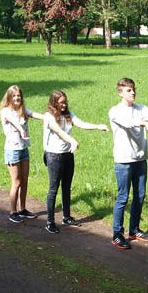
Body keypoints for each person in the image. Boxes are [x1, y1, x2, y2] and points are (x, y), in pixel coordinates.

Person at [108, 78, 148, 249]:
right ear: (120, 93)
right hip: (123, 161)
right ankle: (117, 234)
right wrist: (142, 123)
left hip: (140, 160)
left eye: (133, 89)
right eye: (128, 90)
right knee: (123, 197)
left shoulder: (141, 109)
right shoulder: (115, 111)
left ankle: (134, 229)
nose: (133, 92)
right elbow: (126, 123)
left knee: (140, 196)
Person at [42, 90, 108, 234]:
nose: (64, 105)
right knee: (53, 189)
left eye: (65, 102)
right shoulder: (49, 116)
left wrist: (98, 126)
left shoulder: (68, 114)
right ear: (54, 103)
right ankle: (50, 222)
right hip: (54, 156)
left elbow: (81, 123)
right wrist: (73, 141)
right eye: (61, 103)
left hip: (68, 154)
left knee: (67, 187)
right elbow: (59, 131)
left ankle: (66, 217)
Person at [0, 85, 43, 223]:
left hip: (23, 149)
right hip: (12, 150)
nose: (17, 98)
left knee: (24, 180)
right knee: (16, 182)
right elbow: (15, 122)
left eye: (19, 95)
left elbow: (35, 114)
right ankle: (13, 212)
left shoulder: (22, 110)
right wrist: (21, 130)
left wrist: (49, 117)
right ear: (9, 97)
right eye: (14, 96)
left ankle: (22, 209)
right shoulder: (5, 111)